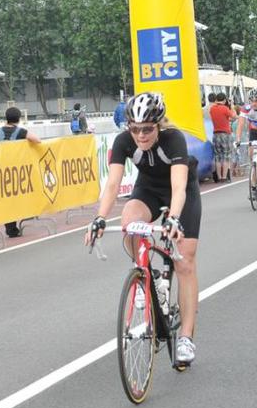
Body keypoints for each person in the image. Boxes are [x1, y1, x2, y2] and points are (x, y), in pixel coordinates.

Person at [85, 92, 201, 366]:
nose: (140, 135)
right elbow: (113, 185)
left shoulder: (173, 139)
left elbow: (178, 187)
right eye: (134, 129)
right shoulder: (123, 141)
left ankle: (186, 337)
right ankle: (145, 275)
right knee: (130, 222)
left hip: (180, 192)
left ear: (158, 124)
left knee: (185, 261)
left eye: (147, 129)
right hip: (148, 189)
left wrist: (173, 218)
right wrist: (99, 218)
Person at [0, 107, 40, 238]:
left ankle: (11, 228)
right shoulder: (21, 131)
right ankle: (26, 215)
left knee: (7, 198)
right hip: (17, 171)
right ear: (19, 119)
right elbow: (37, 140)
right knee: (20, 194)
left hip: (2, 170)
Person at [209, 92, 235, 183]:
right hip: (225, 134)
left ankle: (219, 177)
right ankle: (224, 177)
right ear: (224, 100)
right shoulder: (225, 108)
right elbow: (234, 116)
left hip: (215, 134)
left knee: (218, 156)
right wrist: (232, 105)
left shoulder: (212, 109)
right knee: (226, 155)